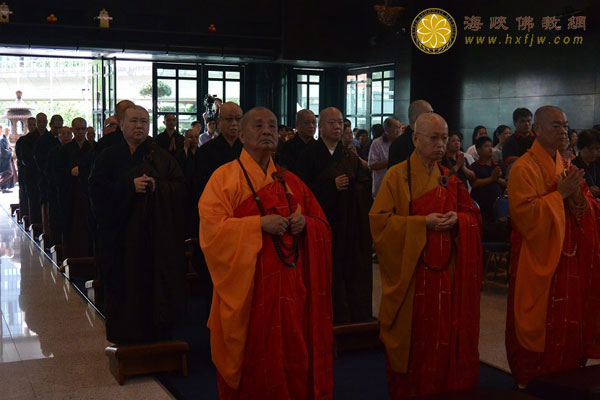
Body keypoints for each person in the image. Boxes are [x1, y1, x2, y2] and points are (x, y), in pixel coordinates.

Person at [198, 106, 333, 399]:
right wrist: (257, 224)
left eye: (272, 126)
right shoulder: (223, 179)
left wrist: (305, 224)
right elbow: (212, 232)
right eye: (258, 126)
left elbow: (322, 224)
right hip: (249, 288)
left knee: (291, 346)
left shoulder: (290, 181)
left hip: (290, 287)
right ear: (242, 135)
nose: (267, 131)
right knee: (255, 350)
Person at [370, 112, 482, 399]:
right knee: (416, 336)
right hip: (412, 275)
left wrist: (458, 219)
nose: (441, 144)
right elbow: (379, 222)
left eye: (444, 138)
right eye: (434, 138)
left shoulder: (448, 178)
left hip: (446, 273)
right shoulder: (397, 176)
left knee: (443, 334)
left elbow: (472, 214)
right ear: (416, 139)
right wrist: (422, 223)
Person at [506, 105, 600, 387]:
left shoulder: (567, 166)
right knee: (539, 320)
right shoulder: (523, 168)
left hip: (567, 258)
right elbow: (525, 216)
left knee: (567, 317)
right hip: (537, 257)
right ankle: (533, 380)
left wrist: (576, 198)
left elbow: (586, 211)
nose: (564, 131)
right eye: (556, 126)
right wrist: (559, 195)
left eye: (565, 125)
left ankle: (567, 376)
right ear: (536, 129)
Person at [89, 105, 186, 344]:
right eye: (133, 121)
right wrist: (128, 187)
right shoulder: (108, 157)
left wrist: (157, 186)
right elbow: (96, 192)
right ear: (121, 124)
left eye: (144, 121)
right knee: (123, 288)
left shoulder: (162, 156)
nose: (139, 126)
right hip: (120, 239)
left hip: (155, 239)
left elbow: (181, 188)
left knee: (155, 288)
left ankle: (157, 336)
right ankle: (125, 337)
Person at [297, 107, 373, 323]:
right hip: (323, 224)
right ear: (320, 127)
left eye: (341, 122)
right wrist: (331, 186)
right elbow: (302, 191)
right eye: (332, 123)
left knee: (350, 270)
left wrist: (351, 189)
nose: (338, 127)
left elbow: (364, 185)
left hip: (349, 224)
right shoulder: (308, 155)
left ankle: (350, 315)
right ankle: (324, 317)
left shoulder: (349, 155)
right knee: (326, 273)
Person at [57, 118, 94, 258]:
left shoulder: (91, 149)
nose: (80, 132)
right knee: (71, 224)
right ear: (73, 130)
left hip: (87, 193)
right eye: (77, 129)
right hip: (69, 193)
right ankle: (70, 255)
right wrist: (69, 172)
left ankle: (88, 255)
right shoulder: (64, 150)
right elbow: (58, 172)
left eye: (82, 129)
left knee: (87, 225)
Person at [197, 102, 244, 195]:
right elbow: (200, 185)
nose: (234, 123)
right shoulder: (205, 151)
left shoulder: (249, 149)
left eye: (238, 119)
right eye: (229, 119)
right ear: (219, 122)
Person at [469, 136, 507, 241]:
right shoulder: (475, 166)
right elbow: (475, 183)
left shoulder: (497, 166)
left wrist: (496, 179)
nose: (490, 149)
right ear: (478, 150)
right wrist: (491, 178)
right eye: (486, 146)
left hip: (497, 206)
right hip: (481, 206)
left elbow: (506, 183)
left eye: (491, 146)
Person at [34, 114, 62, 236]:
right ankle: (48, 234)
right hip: (47, 180)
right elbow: (40, 161)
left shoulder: (62, 140)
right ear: (50, 126)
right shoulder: (43, 141)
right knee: (48, 208)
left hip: (61, 183)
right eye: (55, 127)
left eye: (59, 127)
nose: (58, 130)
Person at [46, 127, 72, 247]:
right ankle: (57, 244)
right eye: (63, 134)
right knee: (57, 219)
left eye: (68, 134)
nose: (66, 136)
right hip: (56, 190)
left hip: (71, 191)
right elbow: (51, 172)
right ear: (59, 136)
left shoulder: (74, 150)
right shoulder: (53, 152)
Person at [387, 100, 434, 168]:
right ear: (416, 118)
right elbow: (395, 175)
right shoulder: (399, 144)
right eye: (429, 114)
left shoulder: (432, 140)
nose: (433, 118)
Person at [176, 129, 201, 239]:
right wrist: (185, 150)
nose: (194, 139)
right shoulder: (180, 153)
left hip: (199, 190)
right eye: (190, 137)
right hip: (185, 190)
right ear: (185, 139)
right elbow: (180, 171)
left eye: (196, 136)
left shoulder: (203, 153)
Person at [368, 117, 402, 197]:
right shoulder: (377, 143)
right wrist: (391, 162)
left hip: (398, 186)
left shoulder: (401, 143)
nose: (399, 131)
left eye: (399, 127)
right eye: (396, 128)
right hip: (381, 187)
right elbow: (372, 165)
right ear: (386, 129)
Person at [277, 109, 316, 175]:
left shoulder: (318, 146)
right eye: (307, 123)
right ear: (297, 125)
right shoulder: (288, 147)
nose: (311, 126)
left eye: (313, 122)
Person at [15, 117, 37, 221]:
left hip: (37, 173)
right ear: (27, 126)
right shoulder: (23, 140)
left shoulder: (41, 139)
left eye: (34, 124)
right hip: (27, 173)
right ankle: (26, 216)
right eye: (31, 124)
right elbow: (20, 158)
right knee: (26, 196)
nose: (32, 126)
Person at [572, 129, 600, 198]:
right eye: (590, 149)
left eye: (597, 148)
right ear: (581, 148)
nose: (594, 153)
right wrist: (587, 191)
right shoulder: (573, 166)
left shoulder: (598, 162)